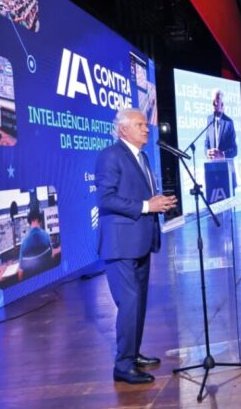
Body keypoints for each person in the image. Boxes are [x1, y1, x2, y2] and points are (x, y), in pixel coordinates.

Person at [96, 109, 177, 385]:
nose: (147, 129)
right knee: (129, 303)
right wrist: (147, 206)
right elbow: (106, 199)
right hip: (120, 245)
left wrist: (158, 202)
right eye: (140, 125)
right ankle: (123, 365)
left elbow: (140, 196)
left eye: (146, 124)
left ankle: (133, 353)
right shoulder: (111, 155)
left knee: (138, 303)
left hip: (140, 242)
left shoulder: (141, 156)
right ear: (123, 130)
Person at [204, 89, 237, 194]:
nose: (213, 103)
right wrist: (207, 152)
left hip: (226, 170)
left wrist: (222, 154)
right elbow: (206, 143)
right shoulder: (209, 119)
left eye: (216, 100)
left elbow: (235, 150)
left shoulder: (229, 122)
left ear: (222, 103)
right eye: (212, 100)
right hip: (213, 171)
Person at [18, 209, 54, 279]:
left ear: (30, 222)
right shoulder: (46, 235)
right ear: (39, 221)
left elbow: (20, 272)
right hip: (47, 279)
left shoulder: (24, 243)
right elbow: (52, 256)